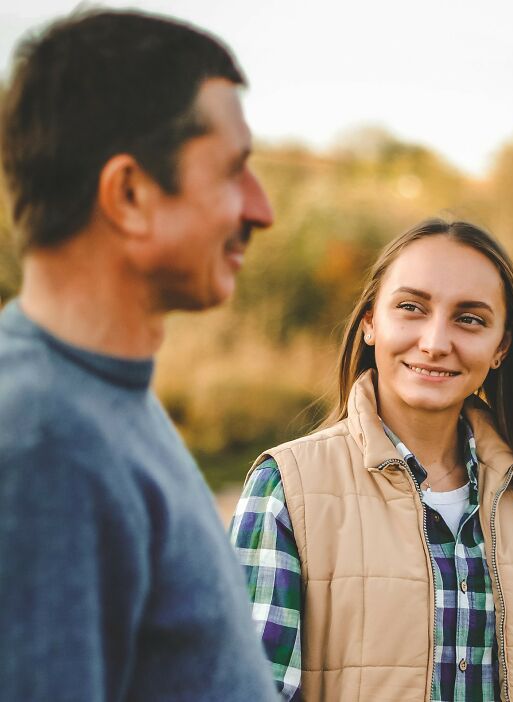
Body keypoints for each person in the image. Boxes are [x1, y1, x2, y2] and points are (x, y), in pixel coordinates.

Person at [0, 9, 278, 701]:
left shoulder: (99, 397)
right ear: (129, 195)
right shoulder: (45, 441)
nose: (261, 210)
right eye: (234, 170)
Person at [231, 218, 513, 701]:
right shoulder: (286, 488)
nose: (435, 342)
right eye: (410, 308)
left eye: (470, 318)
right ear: (369, 324)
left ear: (501, 347)